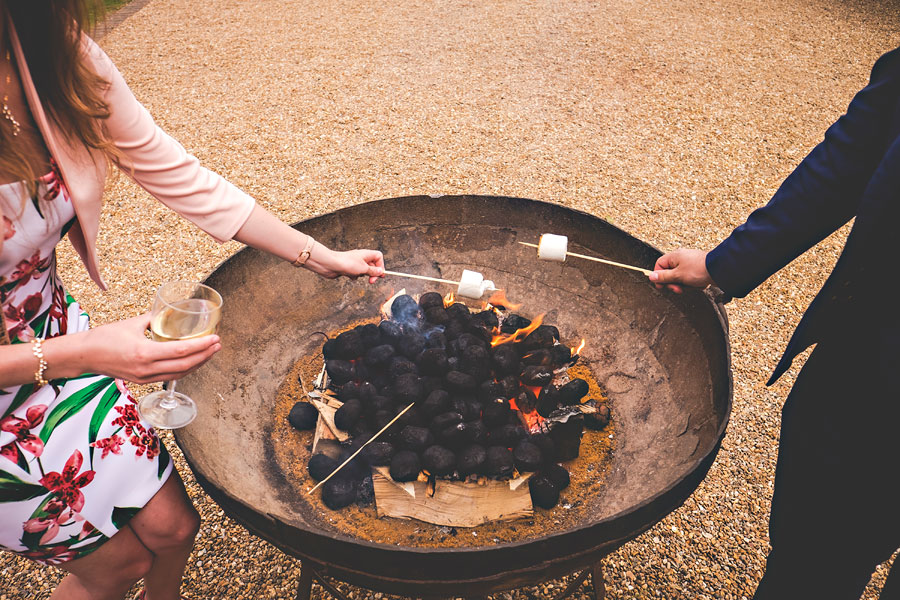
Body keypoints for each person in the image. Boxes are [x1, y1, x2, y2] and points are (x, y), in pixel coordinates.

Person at [0, 2, 384, 599]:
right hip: (39, 376)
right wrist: (88, 353)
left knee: (177, 528)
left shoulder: (47, 49)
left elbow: (172, 167)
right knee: (117, 564)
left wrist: (315, 254)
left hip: (55, 334)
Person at [649, 45, 900, 599]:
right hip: (872, 369)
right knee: (818, 557)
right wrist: (724, 263)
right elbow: (854, 154)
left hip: (885, 371)